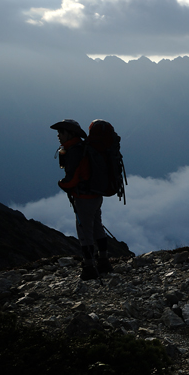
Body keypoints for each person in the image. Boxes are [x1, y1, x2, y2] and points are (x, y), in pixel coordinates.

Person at [51, 119, 113, 280]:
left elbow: (73, 178)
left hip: (83, 198)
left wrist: (62, 184)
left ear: (69, 133)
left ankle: (89, 267)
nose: (58, 136)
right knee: (97, 226)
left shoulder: (74, 151)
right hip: (95, 195)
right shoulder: (84, 148)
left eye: (61, 132)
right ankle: (104, 260)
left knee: (84, 232)